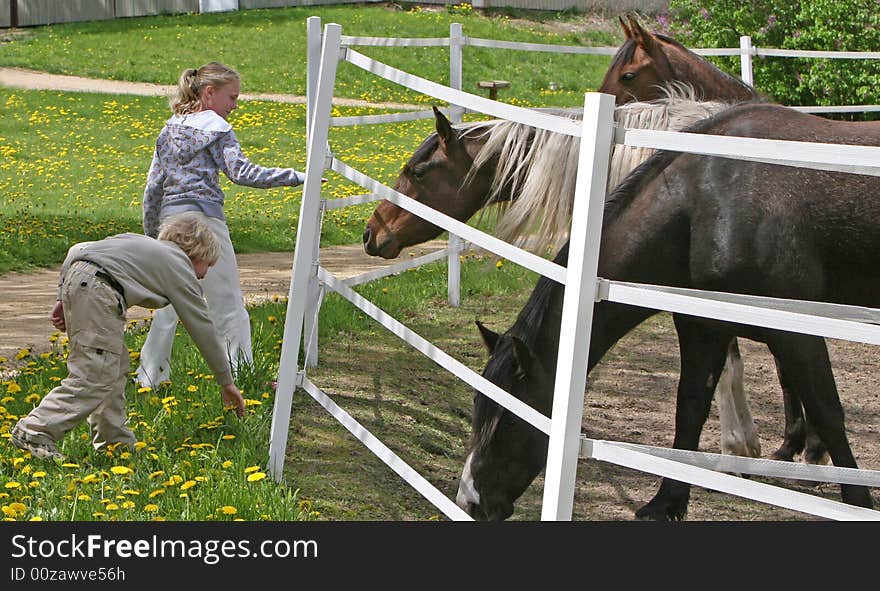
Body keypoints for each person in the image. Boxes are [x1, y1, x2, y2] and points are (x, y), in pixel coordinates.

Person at [12, 213, 246, 460]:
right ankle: (35, 429)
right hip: (101, 290)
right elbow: (203, 327)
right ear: (197, 253)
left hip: (82, 279)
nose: (204, 275)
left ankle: (115, 443)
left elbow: (77, 249)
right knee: (95, 372)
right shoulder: (179, 266)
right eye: (207, 265)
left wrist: (63, 297)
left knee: (113, 365)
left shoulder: (141, 244)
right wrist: (226, 382)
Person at [135, 61, 309, 388]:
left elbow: (153, 188)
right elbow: (242, 173)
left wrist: (152, 236)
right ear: (210, 93)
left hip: (170, 224)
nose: (235, 106)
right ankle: (241, 378)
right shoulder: (217, 127)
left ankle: (149, 379)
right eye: (232, 98)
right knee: (227, 304)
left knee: (170, 303)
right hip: (206, 223)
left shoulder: (169, 129)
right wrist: (297, 176)